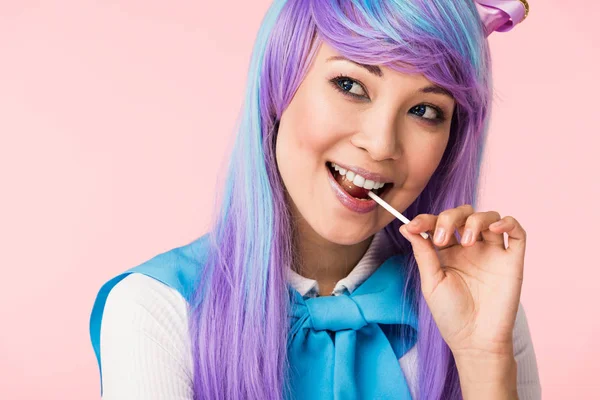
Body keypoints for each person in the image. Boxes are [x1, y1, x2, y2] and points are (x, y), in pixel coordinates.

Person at [89, 0, 541, 399]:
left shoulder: (482, 309)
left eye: (425, 110)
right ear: (279, 87)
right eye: (350, 85)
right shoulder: (156, 310)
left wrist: (485, 359)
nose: (382, 144)